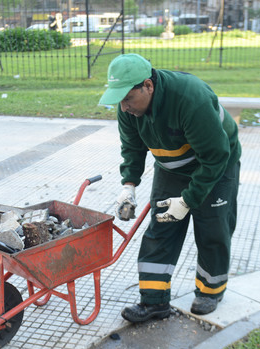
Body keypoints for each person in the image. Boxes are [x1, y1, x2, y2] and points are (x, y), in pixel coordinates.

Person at [98, 54, 241, 323]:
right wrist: (129, 185)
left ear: (148, 86)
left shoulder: (190, 98)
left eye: (128, 98)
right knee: (161, 227)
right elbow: (132, 148)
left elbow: (215, 156)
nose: (124, 106)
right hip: (171, 166)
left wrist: (188, 200)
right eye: (119, 100)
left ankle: (210, 291)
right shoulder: (128, 109)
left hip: (216, 163)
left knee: (212, 228)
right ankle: (154, 302)